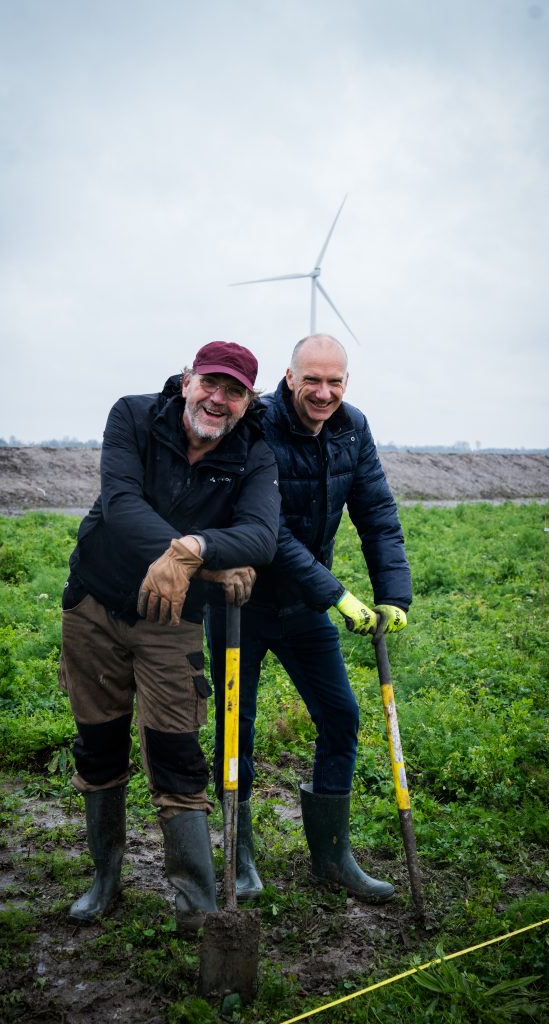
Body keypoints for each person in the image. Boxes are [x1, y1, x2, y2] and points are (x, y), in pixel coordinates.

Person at [59, 341, 280, 934]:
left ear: (247, 401)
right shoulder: (131, 416)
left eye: (234, 391)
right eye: (211, 383)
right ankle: (105, 881)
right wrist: (203, 558)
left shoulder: (254, 452)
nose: (218, 398)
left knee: (178, 754)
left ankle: (197, 907)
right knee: (99, 743)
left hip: (171, 621)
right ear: (186, 380)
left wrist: (190, 552)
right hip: (96, 603)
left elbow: (260, 535)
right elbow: (120, 504)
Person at [207, 333, 412, 904]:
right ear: (290, 377)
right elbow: (270, 529)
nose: (324, 392)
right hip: (240, 602)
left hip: (303, 606)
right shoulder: (259, 424)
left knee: (342, 717)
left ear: (346, 383)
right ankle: (240, 854)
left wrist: (393, 593)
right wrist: (338, 594)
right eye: (313, 379)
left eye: (335, 381)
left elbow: (376, 512)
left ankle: (332, 855)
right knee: (234, 729)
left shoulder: (353, 428)